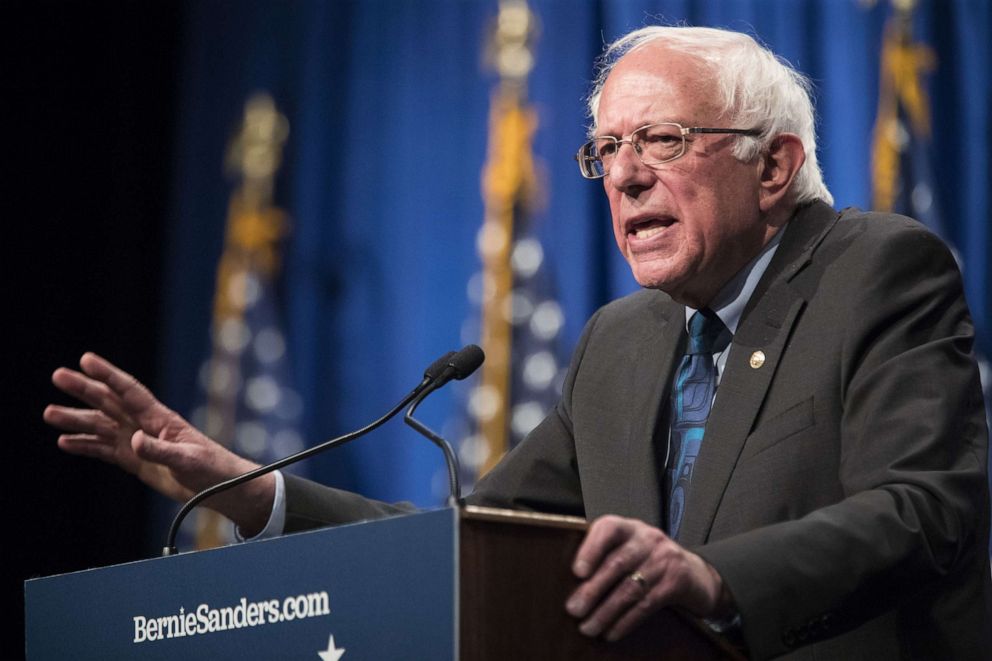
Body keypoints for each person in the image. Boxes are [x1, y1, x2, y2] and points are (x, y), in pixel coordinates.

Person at [45, 26, 990, 659]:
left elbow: (921, 509)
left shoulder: (877, 269)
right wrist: (257, 492)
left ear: (775, 163)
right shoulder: (621, 342)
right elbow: (472, 550)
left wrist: (712, 577)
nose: (622, 177)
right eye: (605, 150)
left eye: (658, 140)